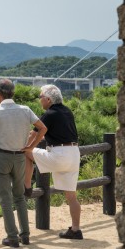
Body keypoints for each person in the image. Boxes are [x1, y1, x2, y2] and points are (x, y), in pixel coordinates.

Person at [0, 79, 47, 248]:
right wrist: (30, 146)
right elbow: (43, 128)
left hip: (2, 157)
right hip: (20, 157)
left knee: (5, 198)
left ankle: (12, 237)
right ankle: (25, 235)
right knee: (19, 196)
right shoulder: (25, 110)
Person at [23, 84, 82, 239]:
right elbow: (57, 132)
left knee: (26, 153)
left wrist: (25, 146)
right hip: (74, 154)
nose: (40, 100)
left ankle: (27, 186)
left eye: (41, 97)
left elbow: (34, 134)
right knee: (71, 196)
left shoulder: (49, 114)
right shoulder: (67, 111)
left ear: (48, 99)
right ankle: (76, 230)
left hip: (58, 155)